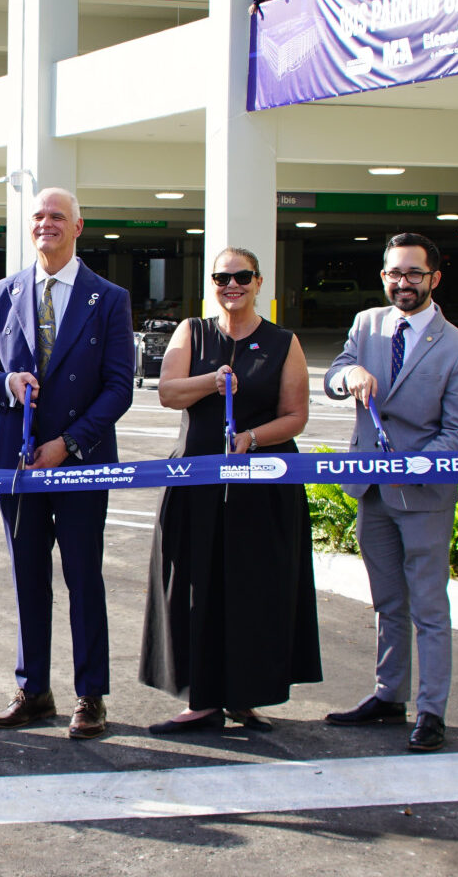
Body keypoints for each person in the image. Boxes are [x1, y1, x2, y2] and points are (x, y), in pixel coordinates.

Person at [0, 187, 135, 740]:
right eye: (39, 216)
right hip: (17, 464)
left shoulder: (108, 297)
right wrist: (7, 384)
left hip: (79, 461)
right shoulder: (3, 291)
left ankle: (90, 695)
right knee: (26, 577)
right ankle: (33, 689)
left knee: (84, 577)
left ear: (78, 226)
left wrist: (68, 444)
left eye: (58, 217)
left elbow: (119, 388)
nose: (47, 224)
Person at [139, 248, 318, 735]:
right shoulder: (191, 332)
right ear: (211, 283)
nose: (231, 284)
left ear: (259, 282)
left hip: (260, 487)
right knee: (195, 589)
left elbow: (296, 415)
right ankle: (200, 699)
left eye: (242, 276)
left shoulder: (284, 342)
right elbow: (168, 392)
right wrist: (212, 382)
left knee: (254, 592)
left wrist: (253, 438)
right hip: (196, 482)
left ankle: (245, 696)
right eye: (222, 276)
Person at [321, 234, 458, 752]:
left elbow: (457, 434)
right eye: (394, 273)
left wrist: (407, 466)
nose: (402, 282)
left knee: (429, 608)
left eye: (414, 274)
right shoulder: (367, 324)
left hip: (422, 495)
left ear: (434, 278)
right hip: (370, 489)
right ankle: (389, 695)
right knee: (388, 602)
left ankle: (431, 710)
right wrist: (350, 376)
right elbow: (334, 372)